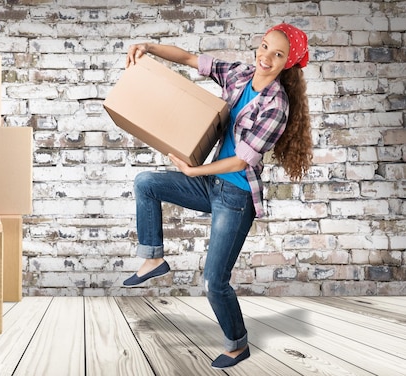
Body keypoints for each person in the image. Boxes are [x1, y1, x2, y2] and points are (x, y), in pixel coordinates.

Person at [122, 23, 313, 369]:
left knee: (214, 281)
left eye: (278, 54)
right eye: (265, 46)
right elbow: (190, 58)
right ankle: (153, 258)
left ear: (289, 62)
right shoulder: (241, 74)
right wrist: (148, 46)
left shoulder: (277, 106)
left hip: (236, 198)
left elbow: (242, 160)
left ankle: (238, 344)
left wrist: (193, 171)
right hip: (212, 185)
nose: (266, 57)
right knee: (145, 182)